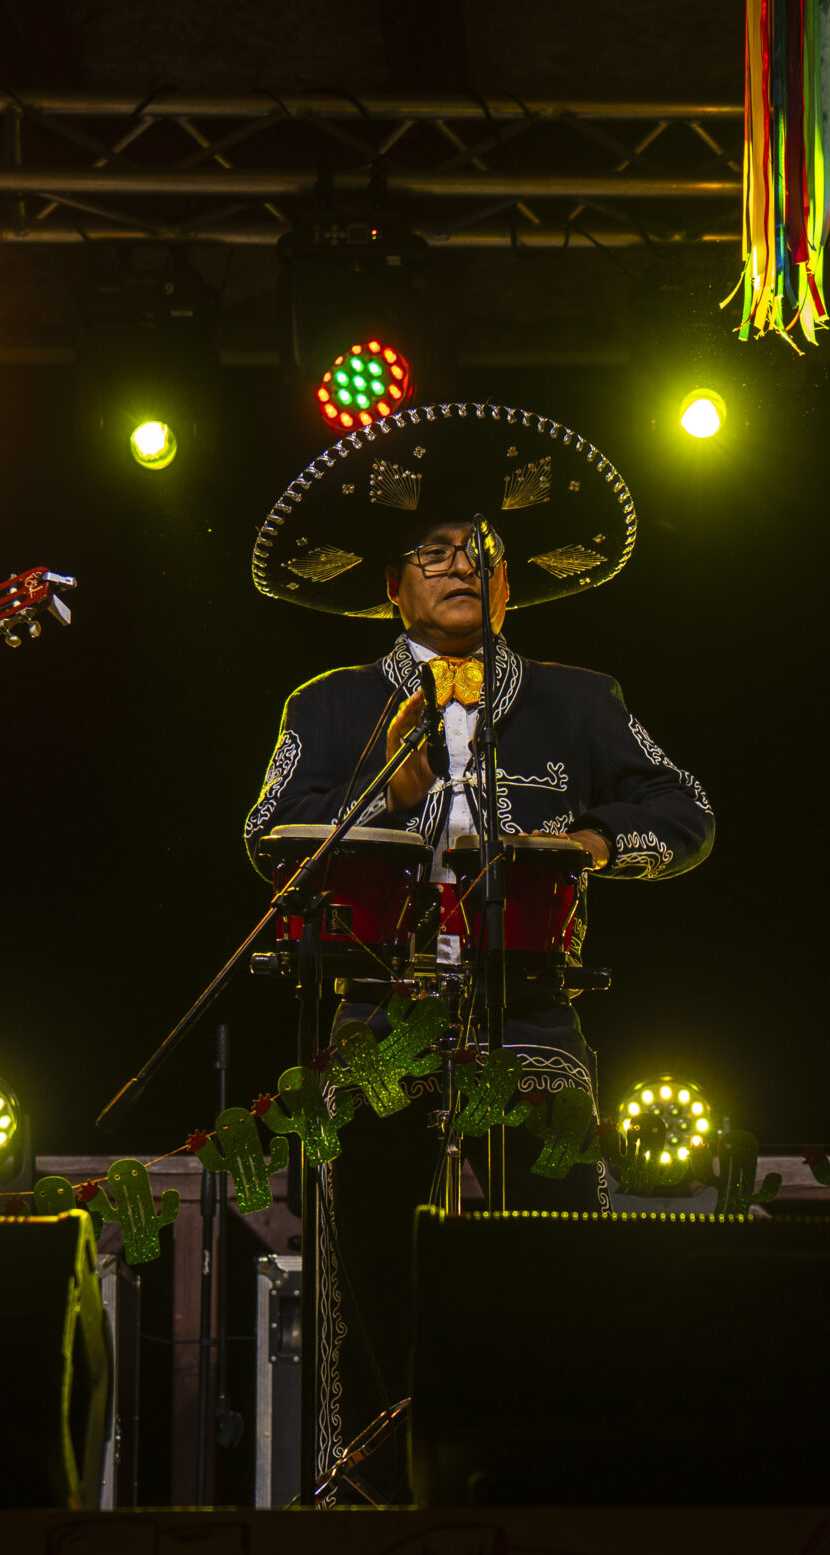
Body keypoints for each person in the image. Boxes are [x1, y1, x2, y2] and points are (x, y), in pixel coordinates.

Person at [243, 401, 715, 1492]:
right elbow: (266, 835)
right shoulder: (330, 704)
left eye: (482, 552)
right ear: (392, 586)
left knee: (551, 1250)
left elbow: (686, 811)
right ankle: (369, 1487)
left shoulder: (579, 700)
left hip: (533, 1011)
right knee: (369, 1256)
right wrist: (389, 798)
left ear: (510, 587)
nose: (462, 564)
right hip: (378, 1014)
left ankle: (548, 1479)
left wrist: (596, 840)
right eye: (436, 551)